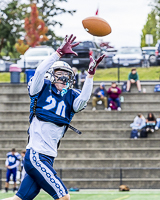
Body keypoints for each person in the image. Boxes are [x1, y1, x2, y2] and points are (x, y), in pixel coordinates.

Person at [3, 34, 105, 200]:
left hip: (48, 156)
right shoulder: (41, 88)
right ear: (52, 75)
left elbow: (84, 99)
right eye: (59, 73)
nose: (64, 77)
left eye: (67, 74)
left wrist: (90, 76)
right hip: (36, 155)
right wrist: (58, 53)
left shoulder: (71, 97)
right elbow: (39, 71)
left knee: (19, 199)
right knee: (64, 197)